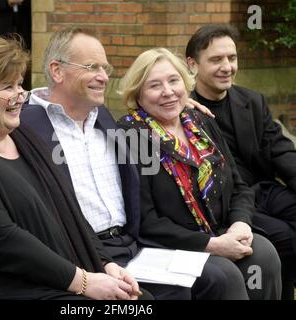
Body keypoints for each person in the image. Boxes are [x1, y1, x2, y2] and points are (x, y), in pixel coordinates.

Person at [0, 36, 146, 300]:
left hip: (70, 273)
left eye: (20, 84)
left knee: (140, 299)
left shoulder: (23, 137)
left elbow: (71, 210)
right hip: (23, 287)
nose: (20, 95)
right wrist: (84, 282)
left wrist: (105, 264)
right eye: (7, 87)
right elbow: (1, 241)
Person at [21, 27, 227, 300]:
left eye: (105, 68)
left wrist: (178, 103)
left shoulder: (104, 119)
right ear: (57, 71)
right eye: (92, 67)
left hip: (133, 245)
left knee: (220, 279)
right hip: (81, 252)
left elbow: (147, 118)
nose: (104, 76)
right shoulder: (25, 126)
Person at [117, 47, 282, 300]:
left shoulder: (200, 121)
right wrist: (213, 246)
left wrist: (240, 223)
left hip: (222, 230)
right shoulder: (134, 137)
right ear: (138, 94)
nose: (168, 92)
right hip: (171, 247)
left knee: (264, 253)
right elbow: (146, 222)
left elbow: (239, 186)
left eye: (174, 81)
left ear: (185, 83)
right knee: (225, 274)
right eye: (154, 86)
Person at [186, 24, 296, 300]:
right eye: (216, 60)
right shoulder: (183, 109)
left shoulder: (252, 101)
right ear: (192, 65)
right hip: (228, 204)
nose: (227, 67)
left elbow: (281, 152)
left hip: (264, 189)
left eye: (231, 58)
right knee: (284, 235)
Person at [0, 0, 31, 89]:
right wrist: (7, 2)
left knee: (24, 62)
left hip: (25, 28)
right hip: (0, 28)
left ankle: (21, 91)